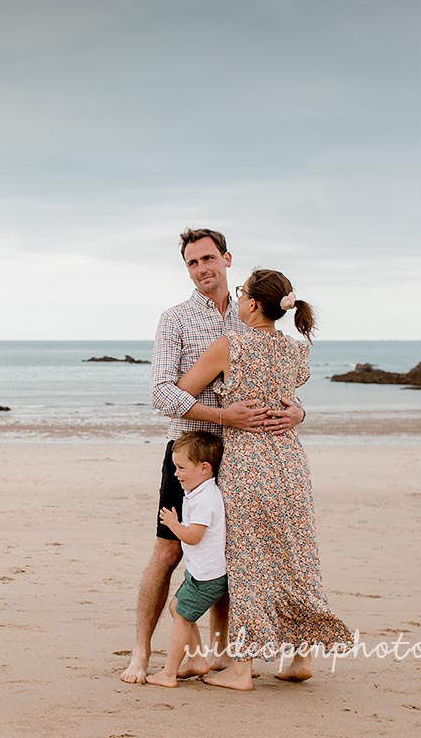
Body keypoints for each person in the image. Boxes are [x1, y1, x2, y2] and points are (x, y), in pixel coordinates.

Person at [120, 228, 306, 685]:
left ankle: (220, 657)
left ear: (226, 259)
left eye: (207, 259)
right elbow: (162, 394)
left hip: (244, 457)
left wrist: (299, 412)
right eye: (191, 263)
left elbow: (280, 386)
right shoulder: (176, 319)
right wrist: (223, 415)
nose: (201, 269)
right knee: (167, 552)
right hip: (188, 452)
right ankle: (141, 654)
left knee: (233, 554)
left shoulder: (253, 314)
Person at [176, 268, 352, 691]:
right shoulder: (296, 352)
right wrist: (297, 412)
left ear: (253, 303)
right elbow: (293, 397)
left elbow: (182, 392)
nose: (238, 299)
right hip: (289, 462)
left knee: (248, 564)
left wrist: (222, 408)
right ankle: (299, 656)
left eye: (241, 293)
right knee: (296, 556)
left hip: (249, 461)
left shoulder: (228, 346)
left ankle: (241, 670)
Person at [145, 431, 228, 688]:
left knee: (182, 617)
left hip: (208, 577)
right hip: (199, 573)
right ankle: (197, 661)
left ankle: (169, 673)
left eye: (181, 468)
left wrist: (173, 524)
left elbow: (193, 536)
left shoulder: (206, 498)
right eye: (175, 467)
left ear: (204, 469)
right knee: (176, 608)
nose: (176, 474)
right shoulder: (198, 490)